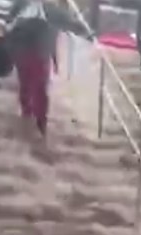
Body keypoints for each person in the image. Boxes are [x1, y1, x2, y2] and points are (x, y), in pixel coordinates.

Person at [6, 0, 89, 136]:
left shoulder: (47, 9)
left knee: (34, 86)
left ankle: (36, 121)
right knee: (31, 86)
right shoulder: (26, 5)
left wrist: (88, 33)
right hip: (29, 51)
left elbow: (71, 23)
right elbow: (8, 23)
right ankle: (33, 119)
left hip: (33, 52)